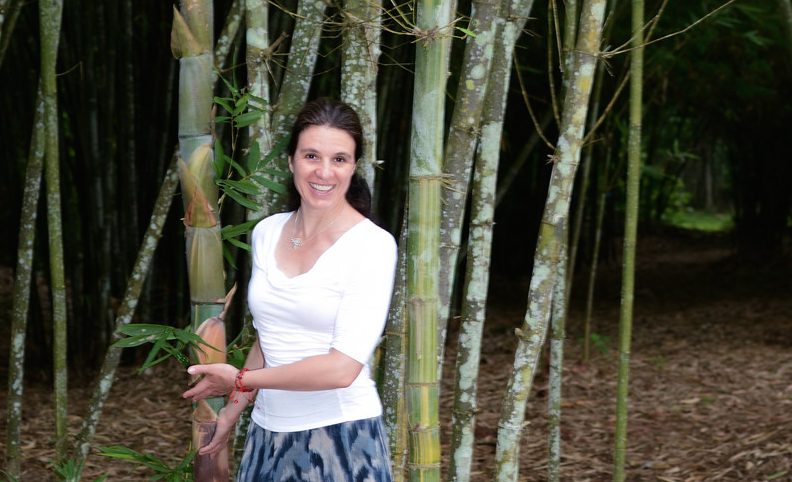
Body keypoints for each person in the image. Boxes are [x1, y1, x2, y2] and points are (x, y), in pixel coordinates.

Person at [183, 98, 397, 481]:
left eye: (339, 159)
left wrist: (238, 379)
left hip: (341, 435)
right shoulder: (268, 231)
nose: (324, 172)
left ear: (354, 167)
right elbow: (270, 337)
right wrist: (233, 412)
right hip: (268, 434)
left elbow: (342, 369)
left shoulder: (372, 245)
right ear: (291, 161)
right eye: (311, 155)